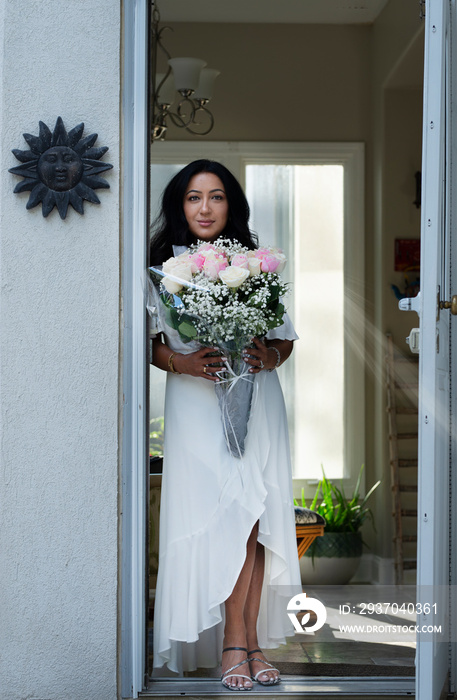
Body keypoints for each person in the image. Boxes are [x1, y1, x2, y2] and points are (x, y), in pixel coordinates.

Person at [150, 160, 301, 690]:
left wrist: (271, 355)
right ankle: (235, 642)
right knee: (216, 515)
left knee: (253, 518)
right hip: (195, 405)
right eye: (194, 197)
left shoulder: (256, 265)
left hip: (257, 400)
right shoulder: (160, 268)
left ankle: (246, 642)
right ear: (180, 205)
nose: (206, 208)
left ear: (231, 205)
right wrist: (182, 363)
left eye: (216, 197)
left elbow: (284, 336)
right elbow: (147, 343)